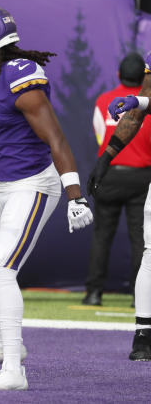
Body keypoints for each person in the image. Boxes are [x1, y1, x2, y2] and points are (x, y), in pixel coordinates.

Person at [0, 4, 93, 390]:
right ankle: (5, 345)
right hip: (3, 186)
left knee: (2, 267)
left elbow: (56, 138)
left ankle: (14, 369)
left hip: (34, 185)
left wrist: (75, 195)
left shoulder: (19, 77)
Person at [92, 50, 151, 361]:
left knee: (114, 236)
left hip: (131, 175)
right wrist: (107, 155)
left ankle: (94, 291)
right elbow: (143, 106)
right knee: (149, 250)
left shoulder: (106, 97)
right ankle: (143, 337)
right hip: (143, 174)